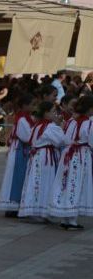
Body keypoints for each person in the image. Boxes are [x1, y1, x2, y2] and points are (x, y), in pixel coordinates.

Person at [49, 95, 93, 230]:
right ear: (90, 109)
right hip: (80, 155)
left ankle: (65, 218)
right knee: (76, 185)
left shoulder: (71, 121)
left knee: (66, 184)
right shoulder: (89, 123)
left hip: (67, 155)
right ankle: (72, 221)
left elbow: (64, 138)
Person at [19, 101, 67, 223]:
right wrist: (61, 127)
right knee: (45, 183)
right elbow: (61, 141)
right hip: (46, 158)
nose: (55, 114)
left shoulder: (38, 125)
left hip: (37, 157)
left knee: (36, 182)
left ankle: (36, 210)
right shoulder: (50, 127)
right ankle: (39, 211)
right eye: (53, 112)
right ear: (46, 113)